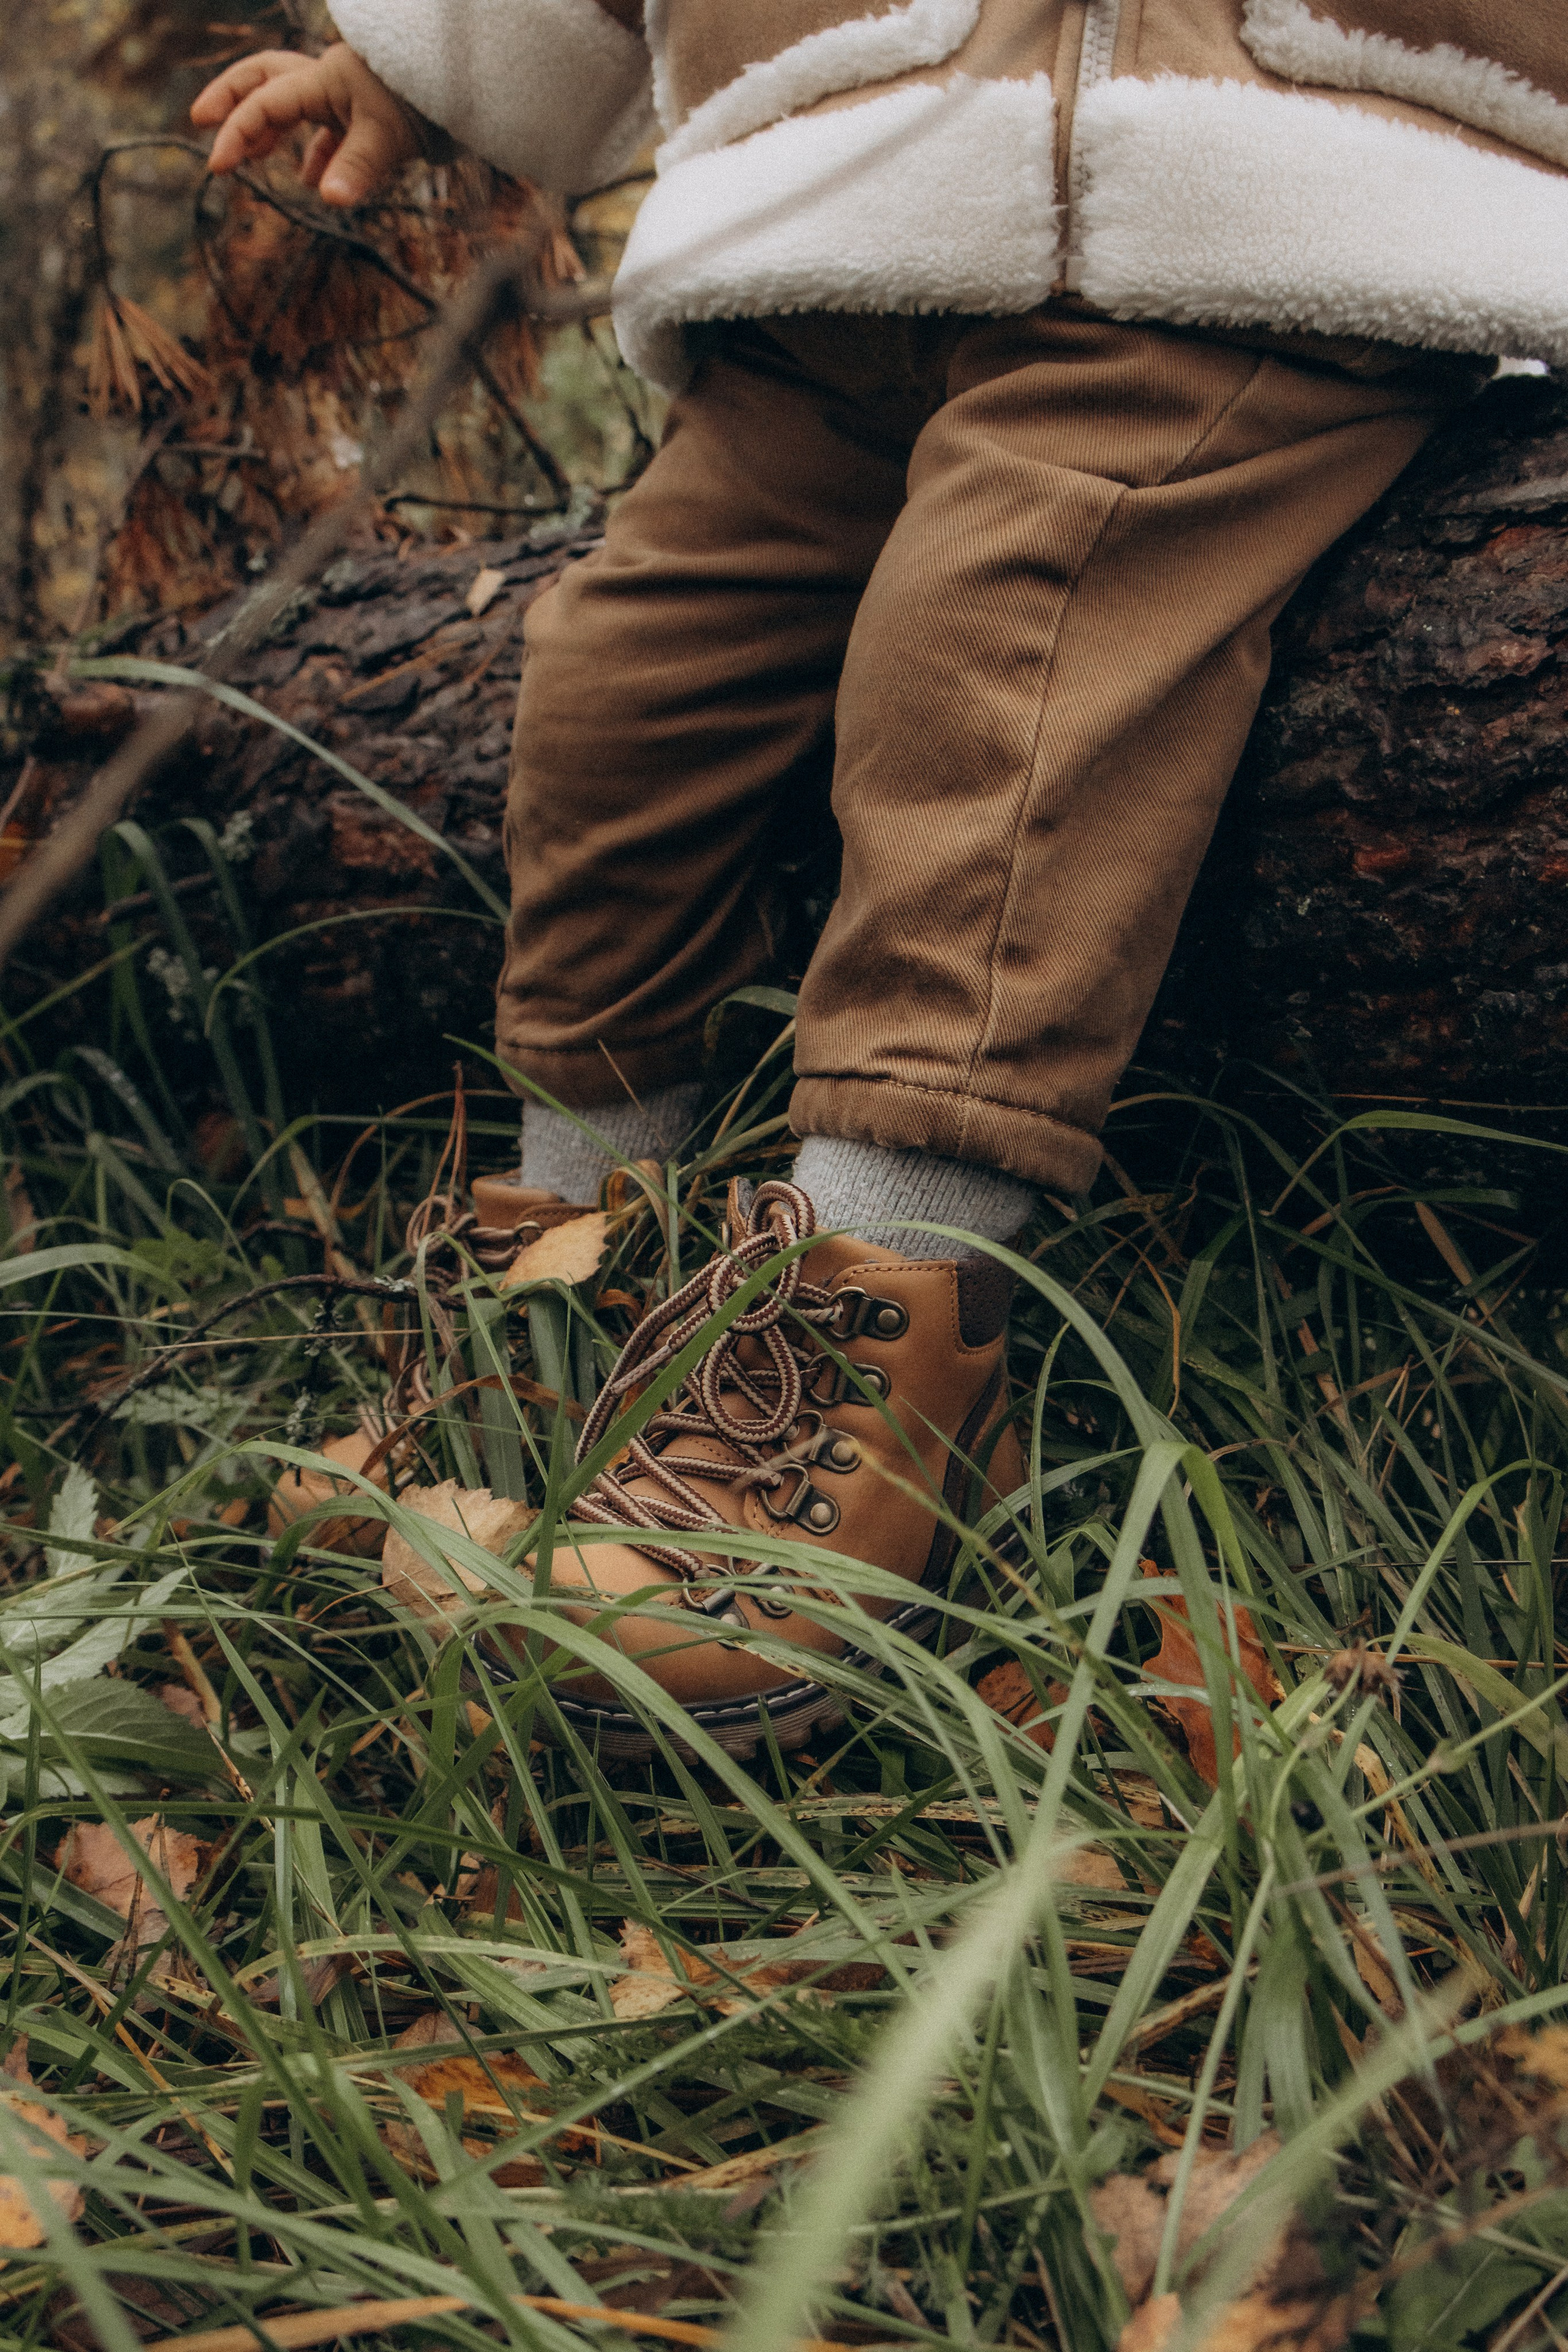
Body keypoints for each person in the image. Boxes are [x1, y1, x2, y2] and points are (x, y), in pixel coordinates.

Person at [194, 2, 1564, 1754]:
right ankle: (578, 1305)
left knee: (999, 642)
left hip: (1260, 220)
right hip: (844, 230)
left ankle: (860, 1366)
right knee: (617, 675)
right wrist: (415, 60)